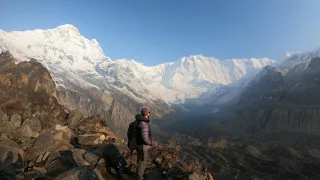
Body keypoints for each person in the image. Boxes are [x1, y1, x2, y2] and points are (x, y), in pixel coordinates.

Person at [135, 107, 153, 180]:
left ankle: (137, 174)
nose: (149, 114)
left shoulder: (139, 121)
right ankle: (139, 177)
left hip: (138, 144)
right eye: (149, 112)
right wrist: (151, 143)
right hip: (143, 146)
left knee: (139, 160)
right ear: (147, 114)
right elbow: (145, 138)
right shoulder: (144, 124)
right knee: (143, 161)